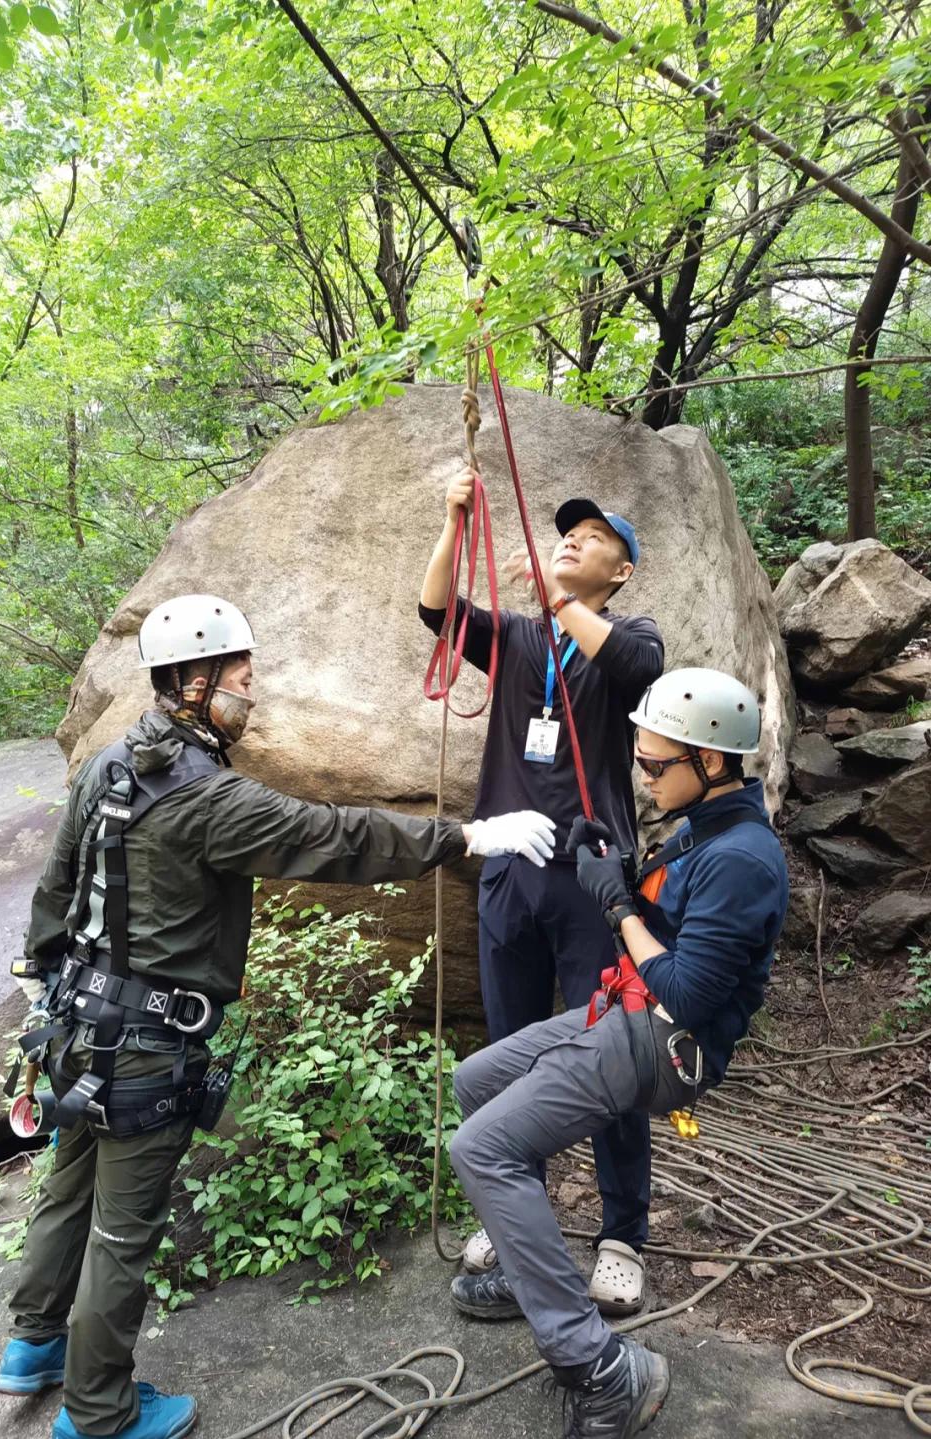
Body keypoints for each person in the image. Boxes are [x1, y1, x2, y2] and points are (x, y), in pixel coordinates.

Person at [0, 593, 556, 1439]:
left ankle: (34, 1344)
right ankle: (99, 1411)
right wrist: (468, 838)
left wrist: (42, 976)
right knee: (122, 1226)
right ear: (191, 684)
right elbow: (335, 836)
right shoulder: (207, 798)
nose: (251, 694)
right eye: (241, 677)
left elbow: (56, 882)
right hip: (144, 1046)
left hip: (75, 1024)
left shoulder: (110, 764)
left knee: (69, 1185)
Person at [446, 668, 789, 1439]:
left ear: (711, 762)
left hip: (666, 1045)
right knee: (477, 1079)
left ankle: (600, 1367)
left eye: (655, 764)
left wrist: (611, 902)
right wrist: (618, 867)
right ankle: (530, 1270)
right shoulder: (707, 826)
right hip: (625, 1016)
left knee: (482, 1148)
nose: (644, 774)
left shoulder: (743, 858)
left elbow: (689, 993)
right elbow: (670, 920)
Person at [419, 470, 664, 1312]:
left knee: (613, 1056)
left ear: (620, 570)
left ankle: (623, 1231)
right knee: (508, 1052)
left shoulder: (629, 637)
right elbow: (436, 611)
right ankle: (508, 1201)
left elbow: (635, 665)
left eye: (593, 537)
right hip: (509, 875)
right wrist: (454, 520)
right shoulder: (521, 638)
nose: (572, 539)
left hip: (592, 884)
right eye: (568, 531)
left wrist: (563, 604)